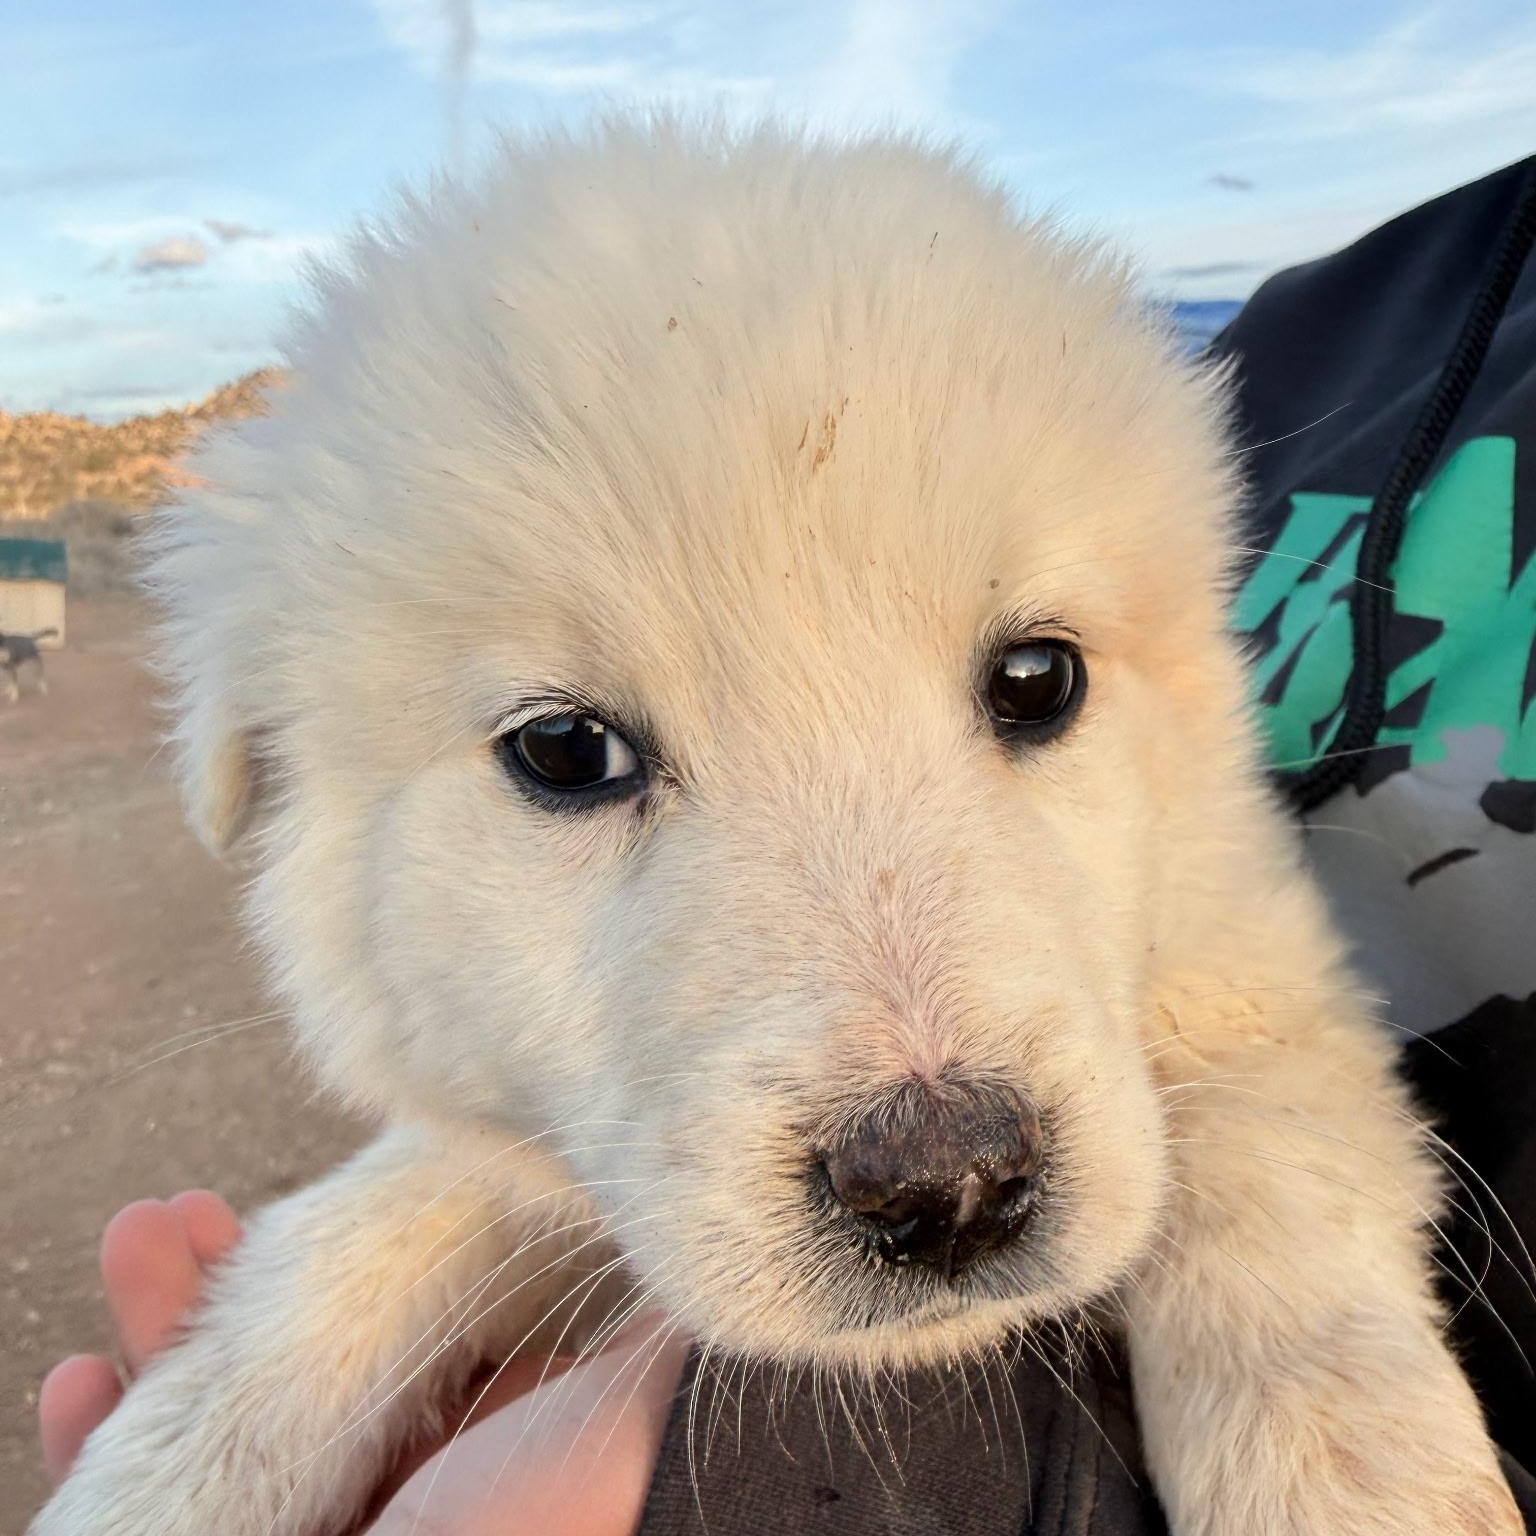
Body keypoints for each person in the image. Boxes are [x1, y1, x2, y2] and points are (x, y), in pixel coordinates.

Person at [39, 152, 1536, 1536]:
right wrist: (295, 1355)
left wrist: (1281, 1320)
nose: (933, 1154)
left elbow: (1253, 1023)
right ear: (273, 769)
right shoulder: (1348, 331)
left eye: (1033, 685)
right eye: (571, 753)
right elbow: (505, 1166)